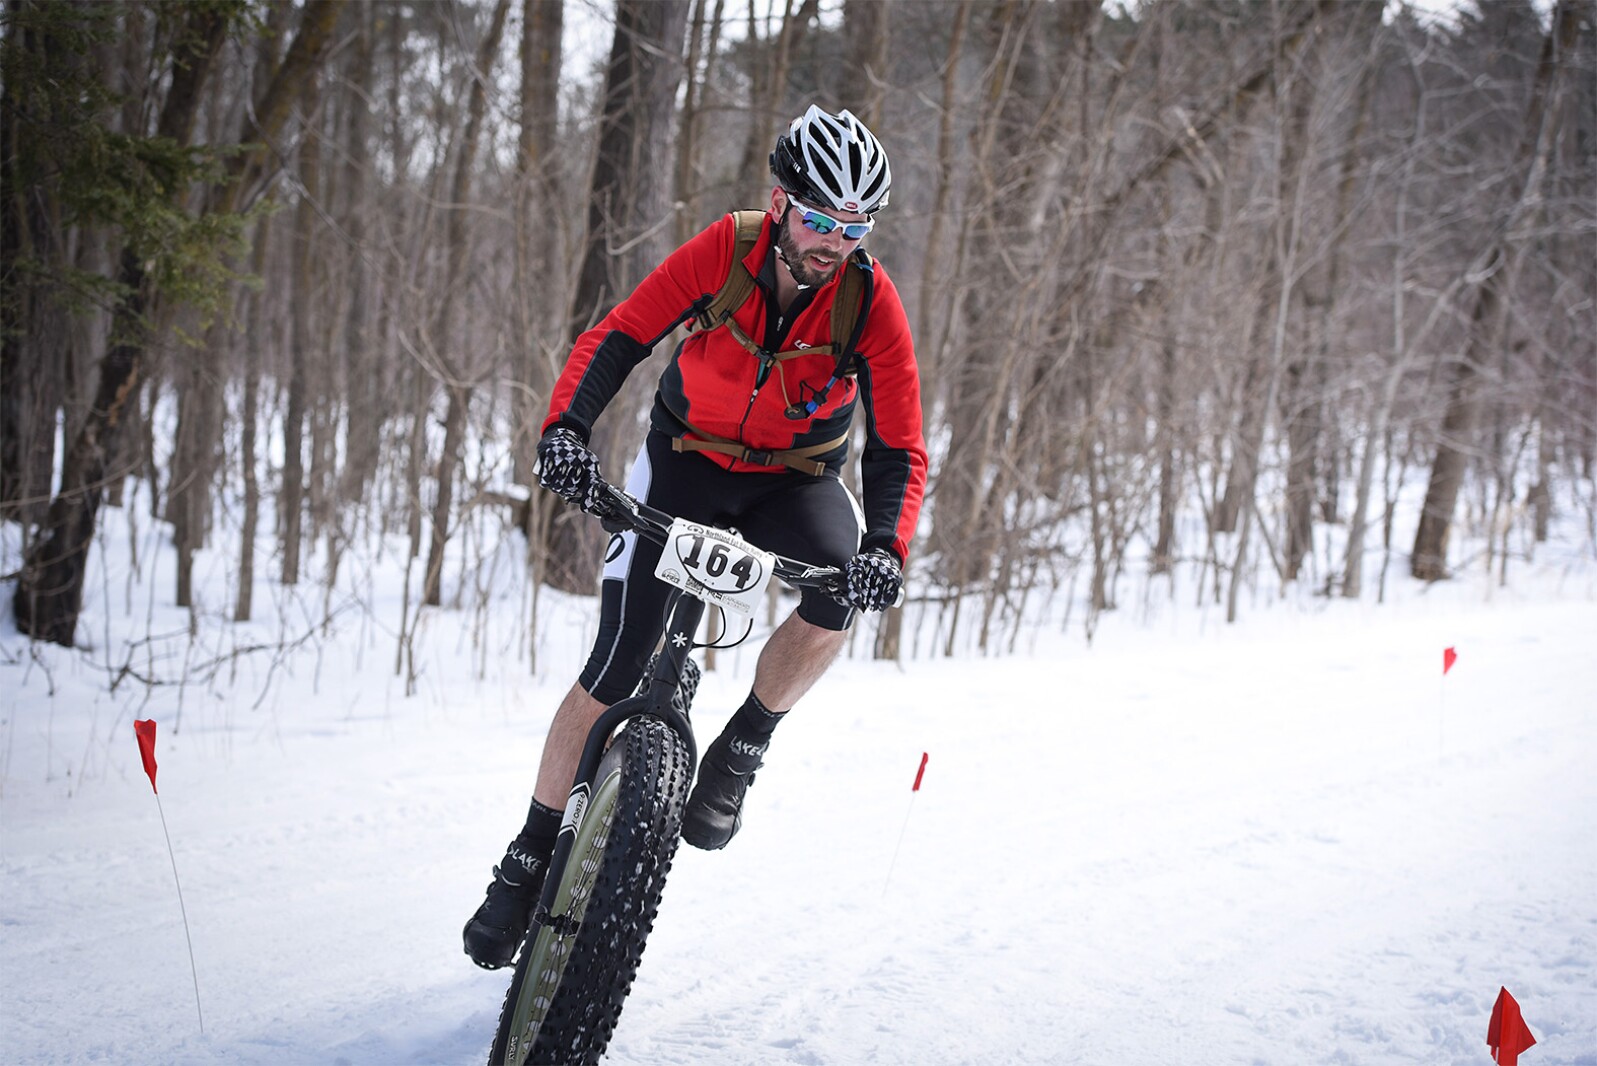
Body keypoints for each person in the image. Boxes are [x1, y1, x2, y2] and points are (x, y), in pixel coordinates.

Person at [464, 105, 927, 970]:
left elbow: (899, 443)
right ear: (783, 203)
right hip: (684, 462)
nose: (836, 241)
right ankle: (528, 854)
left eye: (855, 226)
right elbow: (621, 336)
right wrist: (566, 430)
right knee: (614, 665)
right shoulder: (725, 248)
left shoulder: (870, 302)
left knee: (836, 593)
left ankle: (746, 740)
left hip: (796, 482)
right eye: (822, 220)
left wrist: (886, 551)